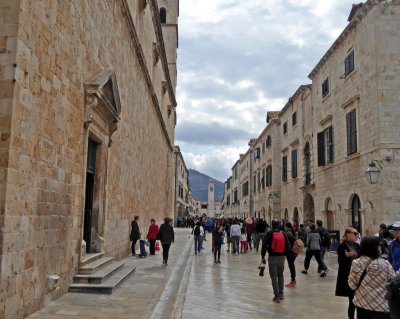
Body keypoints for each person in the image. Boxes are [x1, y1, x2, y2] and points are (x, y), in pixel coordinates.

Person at [348, 236, 394, 319]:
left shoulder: (356, 263)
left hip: (362, 306)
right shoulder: (385, 264)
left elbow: (352, 285)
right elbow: (392, 283)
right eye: (379, 245)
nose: (380, 247)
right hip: (382, 306)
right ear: (375, 248)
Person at [261, 219, 291, 303]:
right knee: (280, 275)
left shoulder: (269, 234)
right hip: (281, 257)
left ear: (272, 225)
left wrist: (262, 256)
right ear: (279, 224)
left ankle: (276, 295)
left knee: (274, 277)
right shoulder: (283, 233)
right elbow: (288, 246)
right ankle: (281, 293)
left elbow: (263, 246)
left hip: (272, 257)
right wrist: (285, 255)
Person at [335, 227, 360, 319]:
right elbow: (340, 262)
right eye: (355, 233)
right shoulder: (342, 246)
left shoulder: (357, 246)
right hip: (349, 276)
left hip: (358, 275)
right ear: (348, 234)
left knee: (359, 299)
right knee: (352, 300)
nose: (357, 235)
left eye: (357, 233)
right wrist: (345, 256)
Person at [284, 222, 297, 288]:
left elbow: (286, 244)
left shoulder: (286, 233)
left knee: (291, 266)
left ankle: (293, 281)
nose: (284, 228)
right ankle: (293, 280)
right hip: (294, 251)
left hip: (290, 252)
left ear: (287, 227)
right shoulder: (293, 232)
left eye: (284, 226)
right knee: (292, 266)